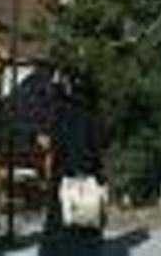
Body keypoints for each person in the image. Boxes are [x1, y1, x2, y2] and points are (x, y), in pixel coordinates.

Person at [37, 76, 105, 256]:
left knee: (60, 221)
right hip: (87, 174)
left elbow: (57, 143)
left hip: (65, 173)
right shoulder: (92, 114)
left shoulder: (62, 113)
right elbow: (97, 145)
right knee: (86, 220)